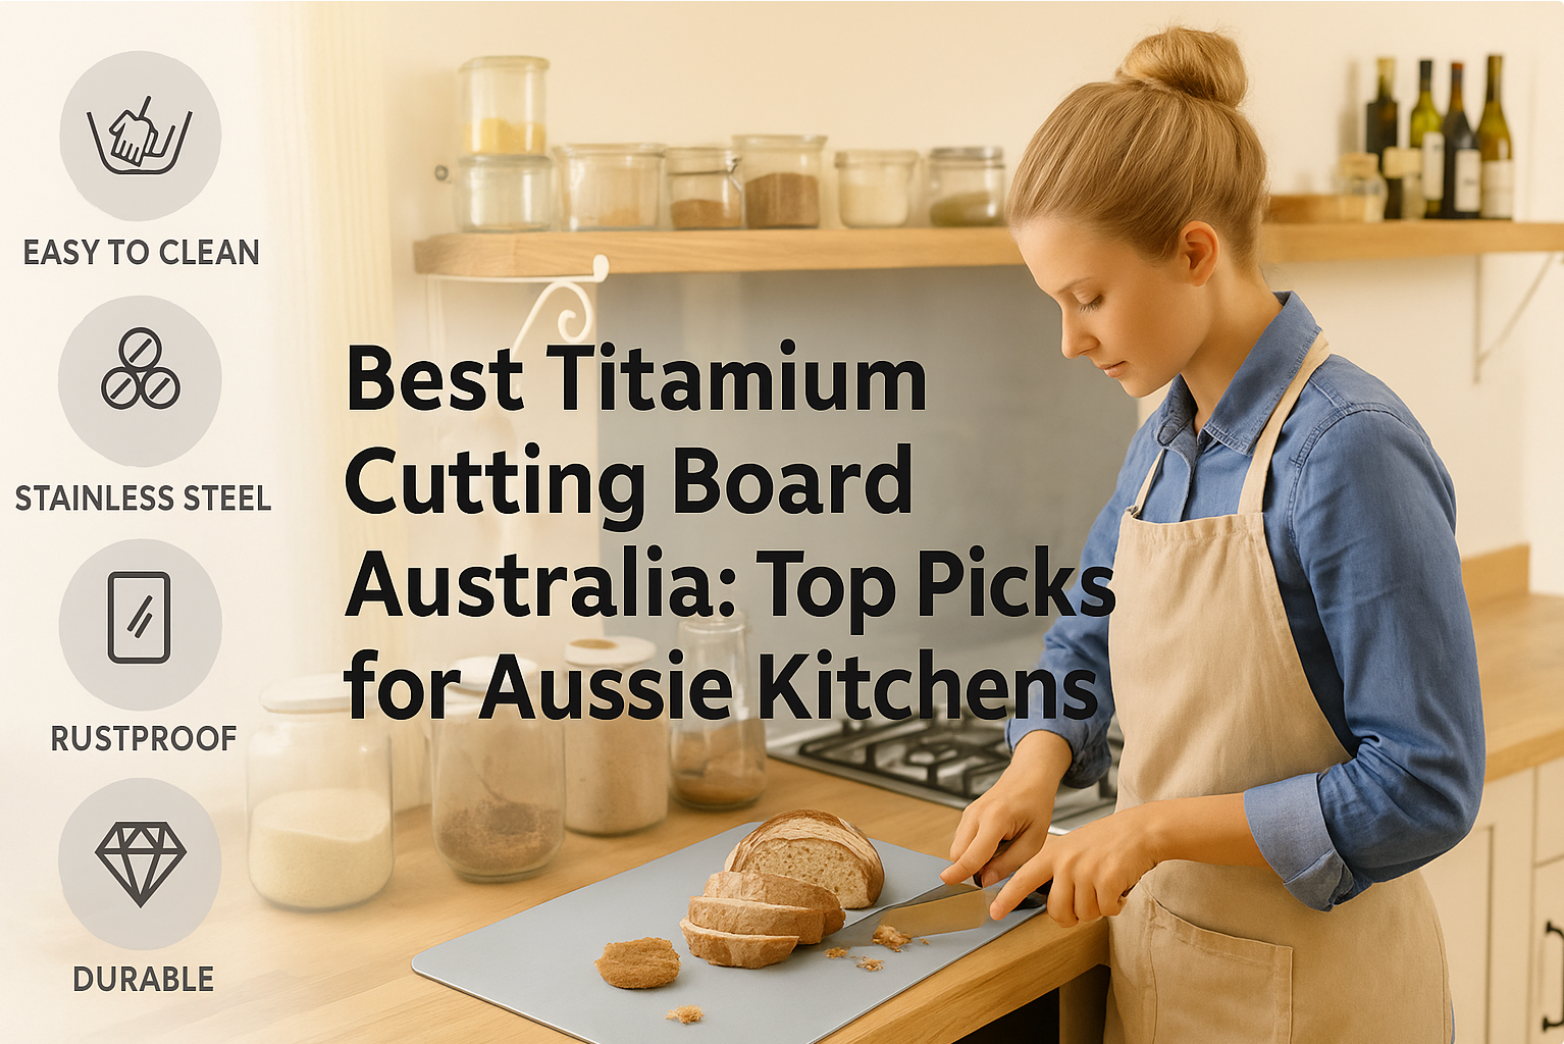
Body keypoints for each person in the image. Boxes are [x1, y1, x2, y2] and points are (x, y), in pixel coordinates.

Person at [940, 26, 1484, 1043]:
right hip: (1171, 977)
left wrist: (1148, 830)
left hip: (1329, 1003)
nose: (1069, 340)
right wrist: (1037, 761)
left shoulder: (1348, 452)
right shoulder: (1162, 442)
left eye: (1088, 297)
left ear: (1194, 252)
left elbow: (1425, 783)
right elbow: (1085, 633)